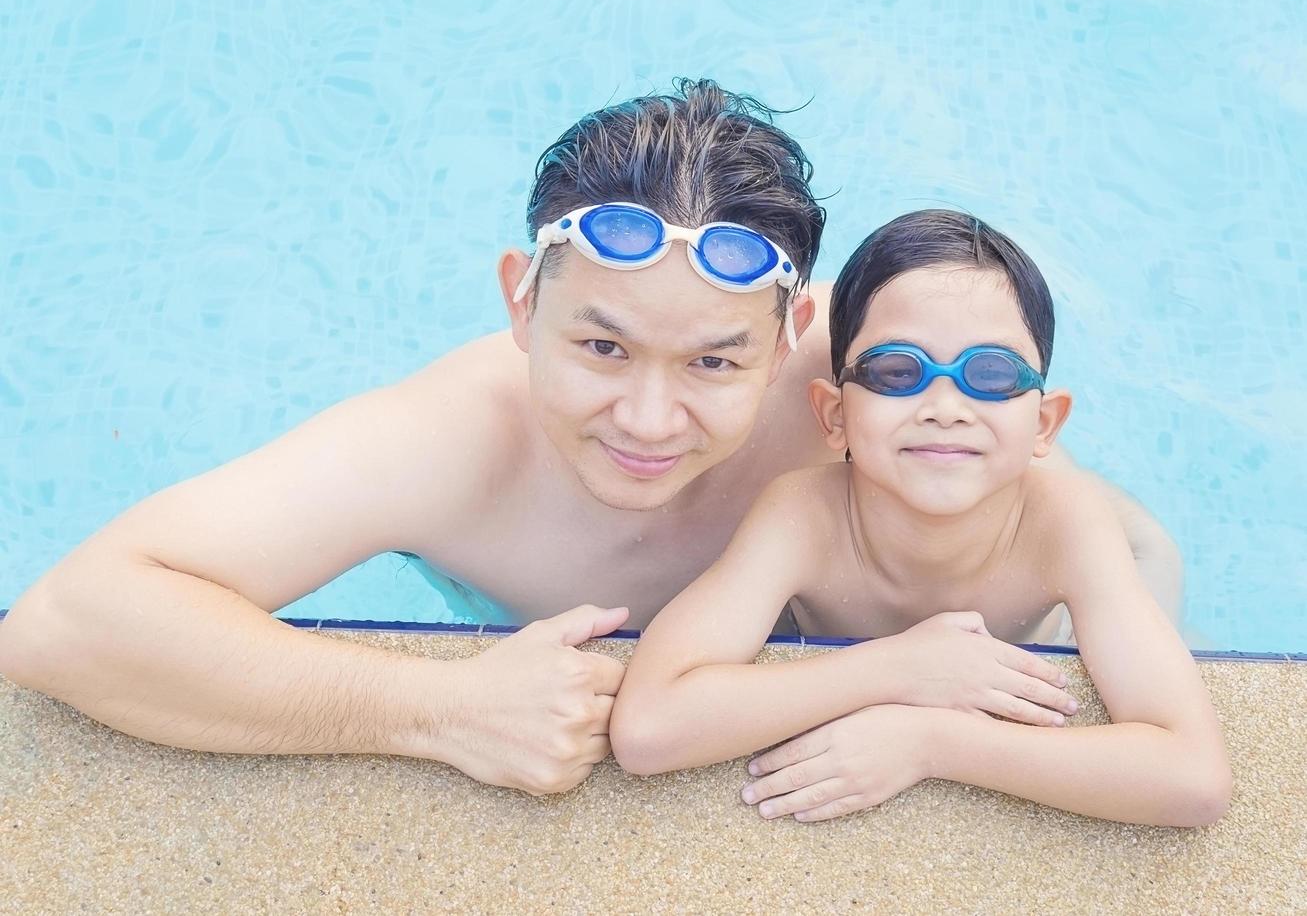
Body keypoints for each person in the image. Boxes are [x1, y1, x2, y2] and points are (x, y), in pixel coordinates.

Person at [0, 82, 1182, 797]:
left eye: (715, 361)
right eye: (602, 348)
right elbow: (67, 621)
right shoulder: (450, 440)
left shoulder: (873, 393)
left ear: (791, 343)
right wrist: (428, 708)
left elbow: (1097, 541)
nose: (650, 422)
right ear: (522, 301)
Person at [610, 210, 1230, 826]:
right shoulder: (804, 514)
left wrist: (931, 742)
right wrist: (898, 667)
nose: (944, 406)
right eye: (896, 371)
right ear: (834, 416)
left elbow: (1192, 779)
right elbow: (648, 727)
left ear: (1043, 424)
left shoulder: (1066, 524)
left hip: (1115, 575)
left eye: (990, 374)